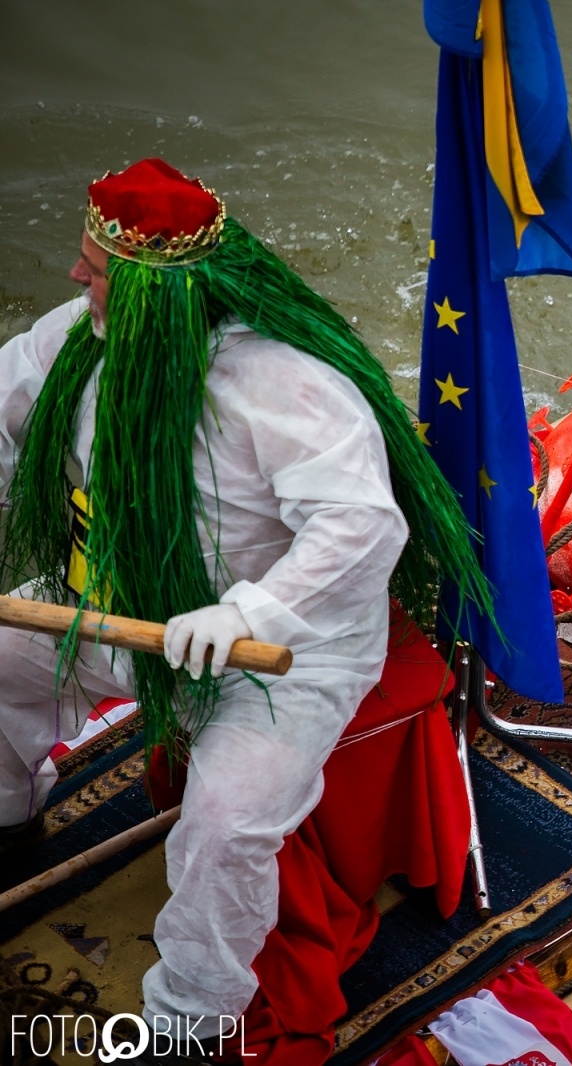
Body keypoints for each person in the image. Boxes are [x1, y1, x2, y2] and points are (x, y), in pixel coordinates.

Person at [0, 158, 491, 1035]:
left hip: (279, 661)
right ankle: (8, 818)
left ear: (155, 296)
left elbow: (363, 528)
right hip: (111, 609)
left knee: (224, 829)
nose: (76, 278)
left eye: (97, 269)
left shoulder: (284, 388)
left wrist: (246, 615)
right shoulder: (70, 343)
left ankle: (191, 1018)